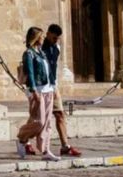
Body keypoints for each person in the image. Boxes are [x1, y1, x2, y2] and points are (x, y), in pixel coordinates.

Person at [15, 27, 60, 162]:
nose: (43, 39)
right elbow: (31, 72)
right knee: (39, 122)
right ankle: (22, 137)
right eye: (41, 37)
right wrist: (34, 90)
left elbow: (49, 71)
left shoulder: (41, 53)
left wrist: (53, 87)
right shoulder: (29, 53)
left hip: (48, 90)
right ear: (36, 38)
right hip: (37, 91)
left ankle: (45, 150)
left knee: (47, 124)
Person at [40, 24, 81, 157]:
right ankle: (23, 140)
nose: (55, 40)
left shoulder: (57, 48)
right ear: (48, 34)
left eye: (57, 38)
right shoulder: (39, 48)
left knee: (60, 115)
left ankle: (65, 146)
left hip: (52, 85)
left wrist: (55, 85)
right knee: (38, 119)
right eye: (54, 37)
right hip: (40, 87)